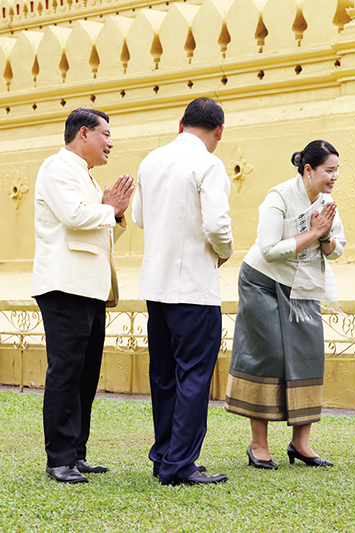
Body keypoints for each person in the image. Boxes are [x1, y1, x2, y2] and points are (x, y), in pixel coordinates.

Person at [224, 140, 345, 469]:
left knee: (308, 352)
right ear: (309, 170)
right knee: (267, 354)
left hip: (302, 282)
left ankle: (300, 444)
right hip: (260, 281)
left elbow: (337, 248)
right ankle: (258, 445)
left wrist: (324, 236)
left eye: (337, 171)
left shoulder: (326, 201)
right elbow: (269, 249)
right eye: (329, 171)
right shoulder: (279, 197)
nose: (334, 177)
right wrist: (314, 232)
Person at [132, 97, 233, 486]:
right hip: (193, 287)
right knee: (193, 374)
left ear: (181, 124)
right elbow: (218, 225)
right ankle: (179, 464)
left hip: (155, 287)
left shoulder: (151, 160)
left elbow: (139, 217)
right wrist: (223, 253)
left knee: (163, 375)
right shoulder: (208, 163)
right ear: (218, 132)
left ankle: (164, 456)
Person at [32, 108, 134, 483]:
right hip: (64, 286)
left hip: (90, 288)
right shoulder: (58, 167)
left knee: (86, 373)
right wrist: (110, 208)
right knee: (66, 371)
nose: (111, 142)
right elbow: (76, 217)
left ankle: (76, 453)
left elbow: (100, 233)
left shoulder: (89, 179)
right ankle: (58, 457)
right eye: (106, 134)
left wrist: (114, 214)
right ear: (85, 134)